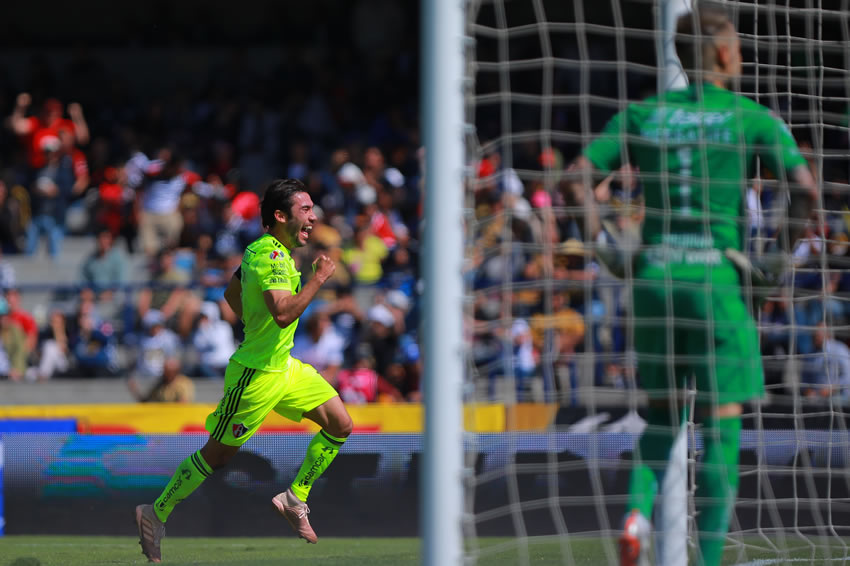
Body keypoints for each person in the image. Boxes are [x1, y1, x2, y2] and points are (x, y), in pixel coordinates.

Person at [563, 4, 818, 566]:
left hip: (653, 280)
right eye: (740, 47)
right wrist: (775, 260)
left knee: (662, 416)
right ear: (725, 53)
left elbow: (575, 178)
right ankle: (704, 561)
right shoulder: (750, 117)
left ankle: (635, 515)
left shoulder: (642, 114)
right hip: (716, 282)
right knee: (722, 426)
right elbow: (805, 190)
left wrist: (606, 246)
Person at [135, 178, 353, 562]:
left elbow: (232, 294)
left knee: (340, 423)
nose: (313, 217)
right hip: (256, 375)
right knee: (217, 456)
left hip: (284, 367)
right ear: (280, 215)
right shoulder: (268, 255)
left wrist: (256, 326)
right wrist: (319, 279)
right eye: (305, 210)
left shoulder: (278, 253)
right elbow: (284, 314)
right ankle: (156, 513)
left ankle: (294, 497)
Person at [128, 357, 195, 403]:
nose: (164, 374)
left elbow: (184, 403)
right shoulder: (160, 384)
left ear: (175, 372)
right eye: (164, 371)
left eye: (168, 372)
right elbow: (146, 402)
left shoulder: (184, 383)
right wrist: (135, 391)